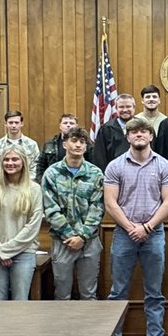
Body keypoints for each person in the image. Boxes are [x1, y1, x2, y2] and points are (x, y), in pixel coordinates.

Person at [101, 119, 168, 336]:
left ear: (151, 136)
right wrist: (131, 227)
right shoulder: (115, 166)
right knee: (117, 292)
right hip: (124, 234)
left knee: (154, 292)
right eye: (134, 131)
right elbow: (110, 203)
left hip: (153, 234)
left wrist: (146, 227)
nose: (139, 135)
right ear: (128, 137)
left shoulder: (165, 166)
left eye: (143, 131)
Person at [42, 126, 105, 303]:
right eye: (74, 140)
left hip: (89, 241)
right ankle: (63, 332)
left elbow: (98, 207)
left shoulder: (95, 174)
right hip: (62, 241)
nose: (78, 145)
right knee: (62, 295)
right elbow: (50, 208)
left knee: (89, 294)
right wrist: (71, 236)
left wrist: (82, 236)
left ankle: (90, 332)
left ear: (86, 147)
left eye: (82, 142)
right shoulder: (52, 173)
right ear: (65, 144)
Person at [0, 147, 44, 316]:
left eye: (15, 159)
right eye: (6, 159)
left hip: (24, 254)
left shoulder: (34, 189)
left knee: (20, 303)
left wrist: (6, 251)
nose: (10, 163)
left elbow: (32, 226)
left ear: (23, 162)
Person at [0, 109, 40, 181]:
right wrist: (0, 185)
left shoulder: (32, 144)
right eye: (10, 123)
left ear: (21, 124)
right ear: (6, 124)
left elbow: (36, 167)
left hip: (26, 186)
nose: (13, 125)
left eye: (16, 122)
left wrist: (28, 184)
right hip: (3, 187)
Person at [38, 113, 92, 181]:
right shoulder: (49, 144)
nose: (68, 125)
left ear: (76, 126)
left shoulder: (87, 145)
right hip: (54, 180)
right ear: (60, 126)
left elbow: (92, 163)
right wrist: (42, 182)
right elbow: (41, 166)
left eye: (71, 123)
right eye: (65, 123)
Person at [92, 93, 136, 168]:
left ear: (134, 108)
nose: (125, 110)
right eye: (121, 107)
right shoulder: (106, 129)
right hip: (113, 173)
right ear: (116, 108)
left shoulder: (143, 128)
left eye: (128, 106)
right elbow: (99, 157)